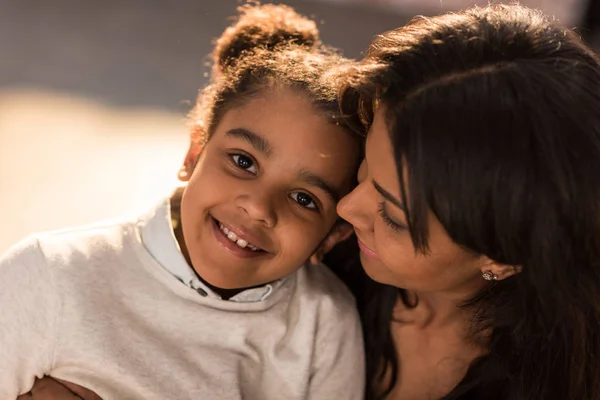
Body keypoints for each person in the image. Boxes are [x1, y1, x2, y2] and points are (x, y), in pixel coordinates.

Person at [1, 4, 365, 400]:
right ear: (194, 153)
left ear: (332, 236)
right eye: (243, 162)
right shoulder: (49, 276)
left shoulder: (325, 322)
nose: (259, 207)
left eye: (303, 198)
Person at [335, 3, 600, 399]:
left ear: (505, 256)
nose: (345, 207)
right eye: (365, 164)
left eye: (392, 215)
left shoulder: (559, 384)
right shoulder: (329, 249)